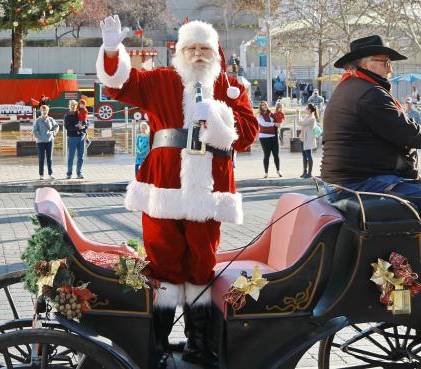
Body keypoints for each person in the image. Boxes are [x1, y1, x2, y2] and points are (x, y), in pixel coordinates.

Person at [97, 15, 258, 367]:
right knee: (163, 266)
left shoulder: (231, 87)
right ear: (180, 52)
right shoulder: (161, 81)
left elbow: (247, 135)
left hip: (208, 194)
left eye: (204, 48)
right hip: (163, 191)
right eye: (191, 48)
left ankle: (200, 347)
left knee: (201, 265)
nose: (198, 54)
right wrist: (112, 49)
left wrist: (218, 115)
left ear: (216, 52)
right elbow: (120, 85)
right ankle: (153, 346)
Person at [321, 35, 421, 204]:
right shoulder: (369, 94)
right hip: (359, 183)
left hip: (346, 182)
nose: (390, 70)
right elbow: (409, 135)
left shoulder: (351, 87)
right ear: (366, 64)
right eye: (386, 63)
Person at [33, 104, 59, 180]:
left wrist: (53, 134)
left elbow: (57, 126)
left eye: (45, 110)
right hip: (40, 142)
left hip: (49, 141)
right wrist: (41, 137)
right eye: (43, 110)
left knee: (49, 158)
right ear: (41, 111)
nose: (44, 112)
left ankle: (50, 174)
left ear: (48, 111)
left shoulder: (51, 119)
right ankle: (41, 175)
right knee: (41, 158)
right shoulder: (38, 121)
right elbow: (35, 131)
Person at [257, 101, 282, 178]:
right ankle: (266, 172)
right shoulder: (259, 116)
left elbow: (278, 122)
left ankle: (278, 170)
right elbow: (264, 124)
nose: (264, 106)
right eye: (263, 105)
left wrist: (280, 123)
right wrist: (274, 124)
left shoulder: (271, 114)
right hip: (264, 137)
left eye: (265, 105)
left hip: (274, 136)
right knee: (266, 155)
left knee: (276, 155)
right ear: (260, 107)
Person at [64, 100, 86, 179]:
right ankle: (69, 173)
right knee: (71, 156)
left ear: (77, 106)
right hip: (72, 137)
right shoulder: (67, 115)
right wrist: (77, 127)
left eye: (74, 105)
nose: (73, 106)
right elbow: (67, 127)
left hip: (81, 137)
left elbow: (86, 122)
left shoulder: (80, 113)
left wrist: (84, 127)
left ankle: (79, 173)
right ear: (69, 106)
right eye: (71, 105)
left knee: (81, 156)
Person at [297, 103, 318, 178]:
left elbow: (300, 123)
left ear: (309, 110)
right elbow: (302, 123)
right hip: (304, 138)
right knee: (304, 155)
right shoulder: (308, 117)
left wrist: (298, 114)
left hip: (308, 139)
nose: (305, 109)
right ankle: (304, 171)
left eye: (306, 108)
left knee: (308, 155)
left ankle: (309, 173)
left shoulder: (312, 118)